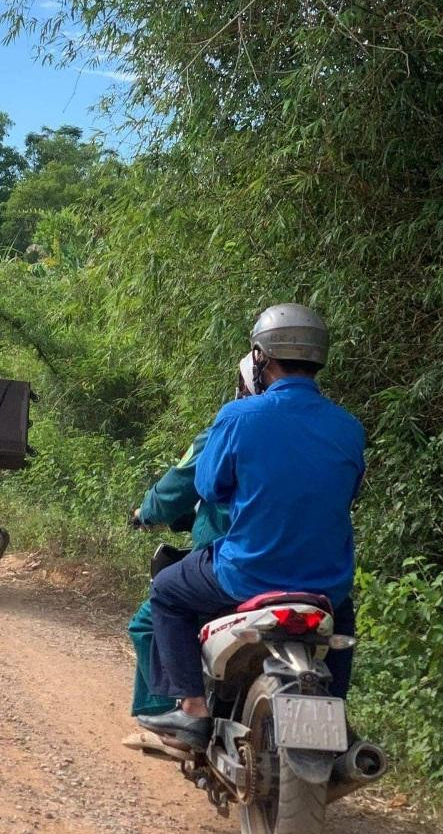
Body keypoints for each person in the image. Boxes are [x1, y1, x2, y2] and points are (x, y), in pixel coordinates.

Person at [138, 304, 365, 749]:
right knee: (344, 616)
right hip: (326, 583)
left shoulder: (239, 416)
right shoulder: (350, 428)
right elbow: (349, 492)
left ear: (260, 357)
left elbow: (208, 486)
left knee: (166, 590)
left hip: (244, 574)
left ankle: (192, 709)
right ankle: (336, 716)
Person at [122, 357, 254, 753]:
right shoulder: (327, 432)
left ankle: (180, 717)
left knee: (153, 614)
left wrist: (144, 514)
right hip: (314, 572)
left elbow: (182, 487)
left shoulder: (229, 427)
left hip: (233, 561)